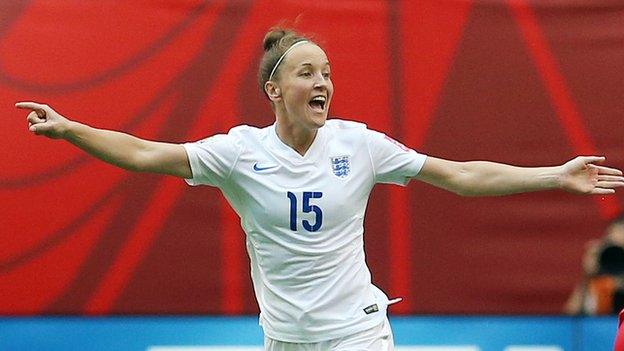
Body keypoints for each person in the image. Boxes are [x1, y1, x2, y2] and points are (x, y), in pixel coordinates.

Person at [15, 28, 624, 350]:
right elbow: (148, 154)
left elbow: (460, 175)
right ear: (274, 91)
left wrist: (554, 175)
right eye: (306, 72)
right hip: (285, 337)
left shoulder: (358, 145)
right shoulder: (239, 152)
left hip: (356, 330)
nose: (323, 82)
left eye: (327, 73)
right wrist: (72, 130)